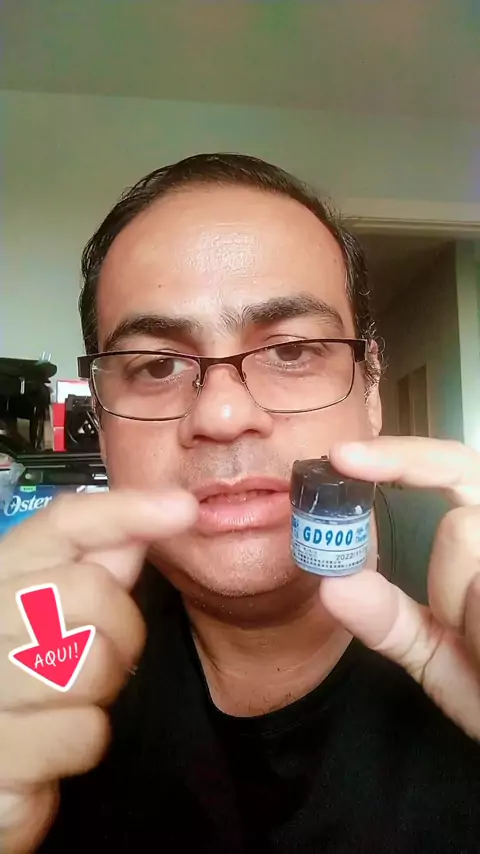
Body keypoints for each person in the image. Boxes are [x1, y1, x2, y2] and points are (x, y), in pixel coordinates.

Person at [1, 154, 479, 854]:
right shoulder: (36, 646)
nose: (223, 416)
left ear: (370, 390)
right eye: (157, 366)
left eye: (293, 351)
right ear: (100, 421)